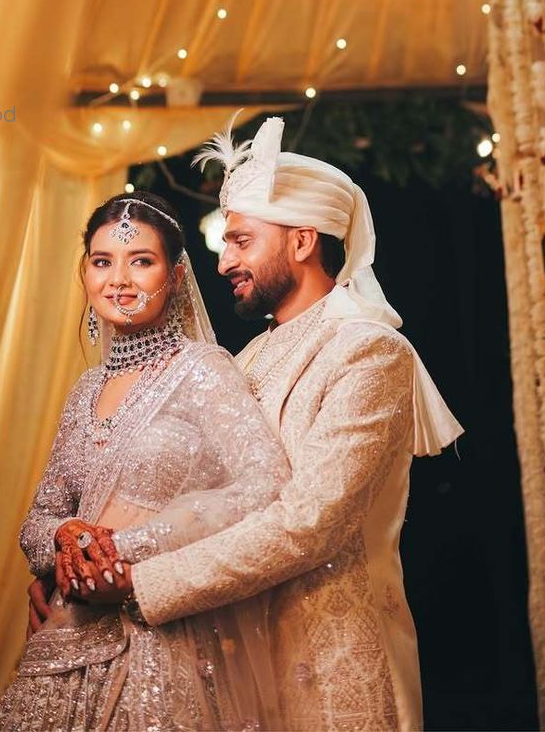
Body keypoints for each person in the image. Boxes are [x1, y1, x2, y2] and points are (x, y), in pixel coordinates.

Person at [94, 116, 462, 732]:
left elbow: (310, 522)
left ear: (302, 241)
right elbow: (190, 499)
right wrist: (83, 564)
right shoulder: (244, 360)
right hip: (228, 667)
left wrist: (137, 582)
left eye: (241, 241)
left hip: (336, 668)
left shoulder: (368, 351)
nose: (223, 263)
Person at [0, 191, 289, 731]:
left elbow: (265, 483)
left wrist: (124, 551)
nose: (119, 280)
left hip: (158, 643)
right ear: (85, 274)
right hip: (66, 639)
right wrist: (66, 537)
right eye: (103, 262)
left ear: (175, 277)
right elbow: (39, 520)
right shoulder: (85, 390)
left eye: (141, 261)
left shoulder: (202, 370)